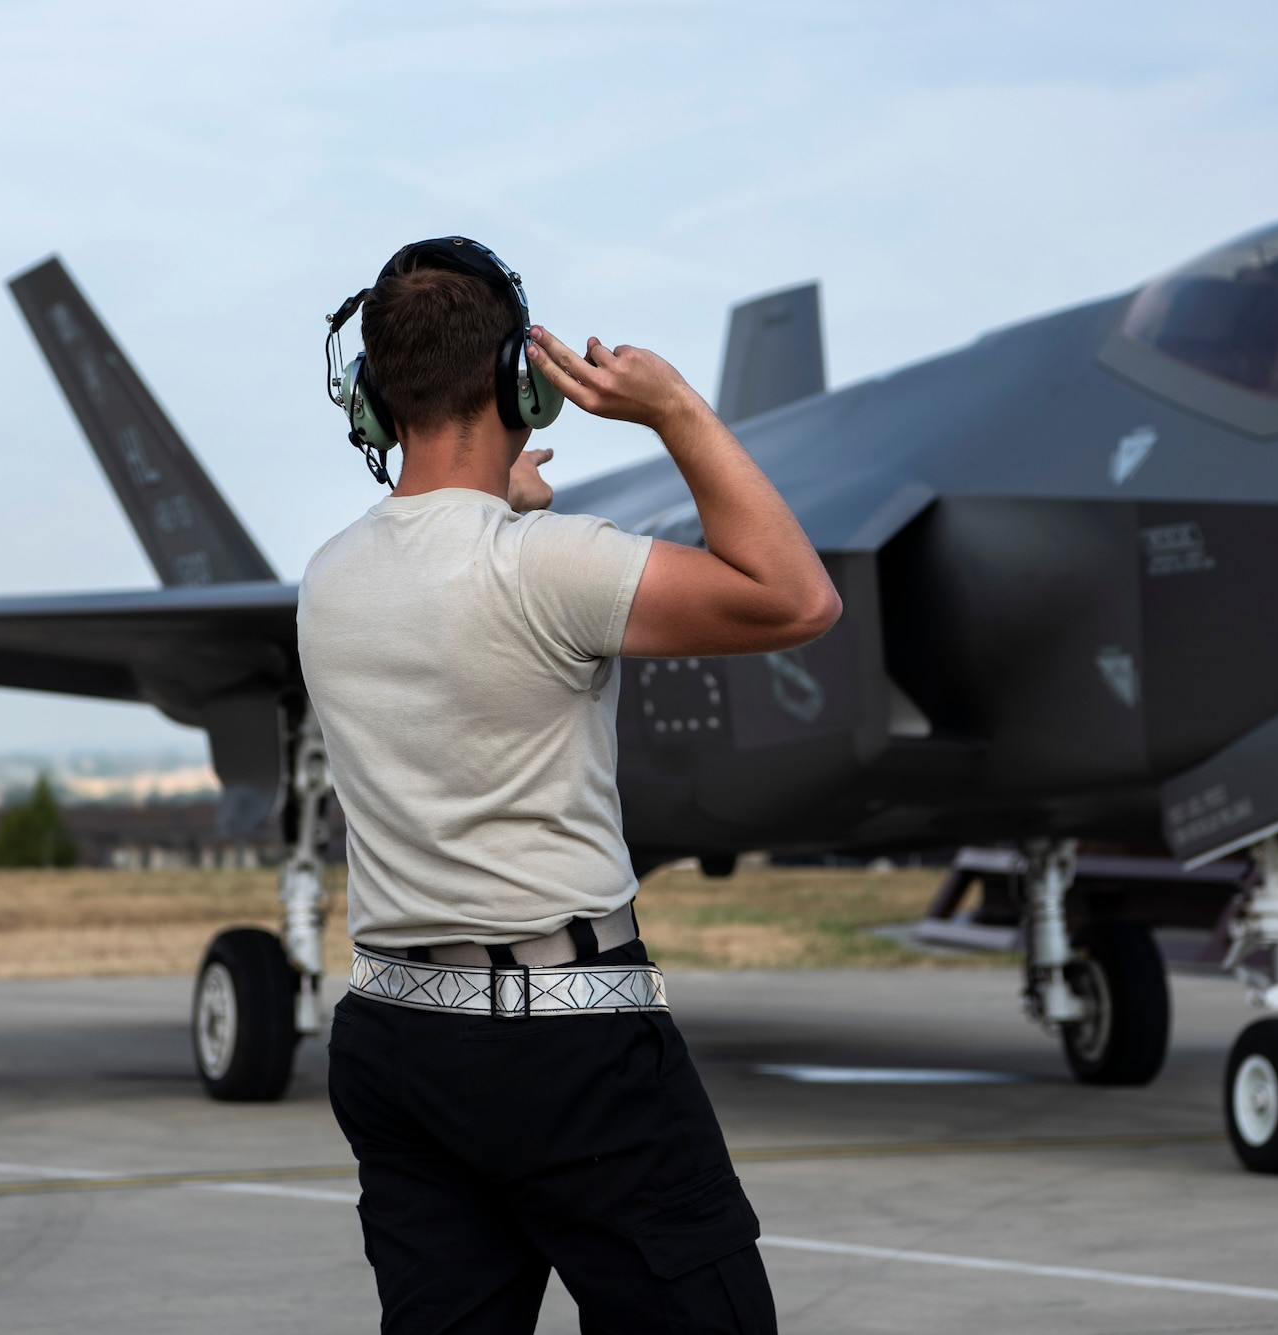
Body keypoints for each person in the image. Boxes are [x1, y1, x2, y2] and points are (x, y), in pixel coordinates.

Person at [299, 238, 840, 1335]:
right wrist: (674, 409)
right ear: (521, 381)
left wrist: (502, 492)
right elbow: (795, 600)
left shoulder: (330, 579)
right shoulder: (552, 568)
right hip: (570, 1052)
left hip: (397, 1040)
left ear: (368, 396)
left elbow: (451, 569)